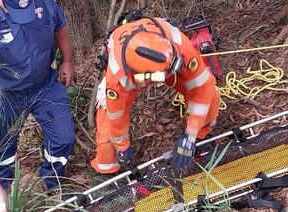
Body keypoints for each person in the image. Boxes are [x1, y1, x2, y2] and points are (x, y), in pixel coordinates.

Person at [0, 0, 75, 191]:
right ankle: (3, 191)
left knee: (64, 138)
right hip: (5, 92)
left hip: (44, 84)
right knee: (2, 149)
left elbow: (59, 25)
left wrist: (67, 61)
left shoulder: (45, 3)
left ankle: (50, 183)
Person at [91, 16, 220, 175]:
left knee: (211, 97)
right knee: (108, 129)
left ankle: (202, 137)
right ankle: (109, 170)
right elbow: (116, 116)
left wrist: (191, 134)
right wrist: (122, 147)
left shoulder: (179, 45)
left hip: (169, 64)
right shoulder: (117, 79)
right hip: (132, 75)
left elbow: (202, 87)